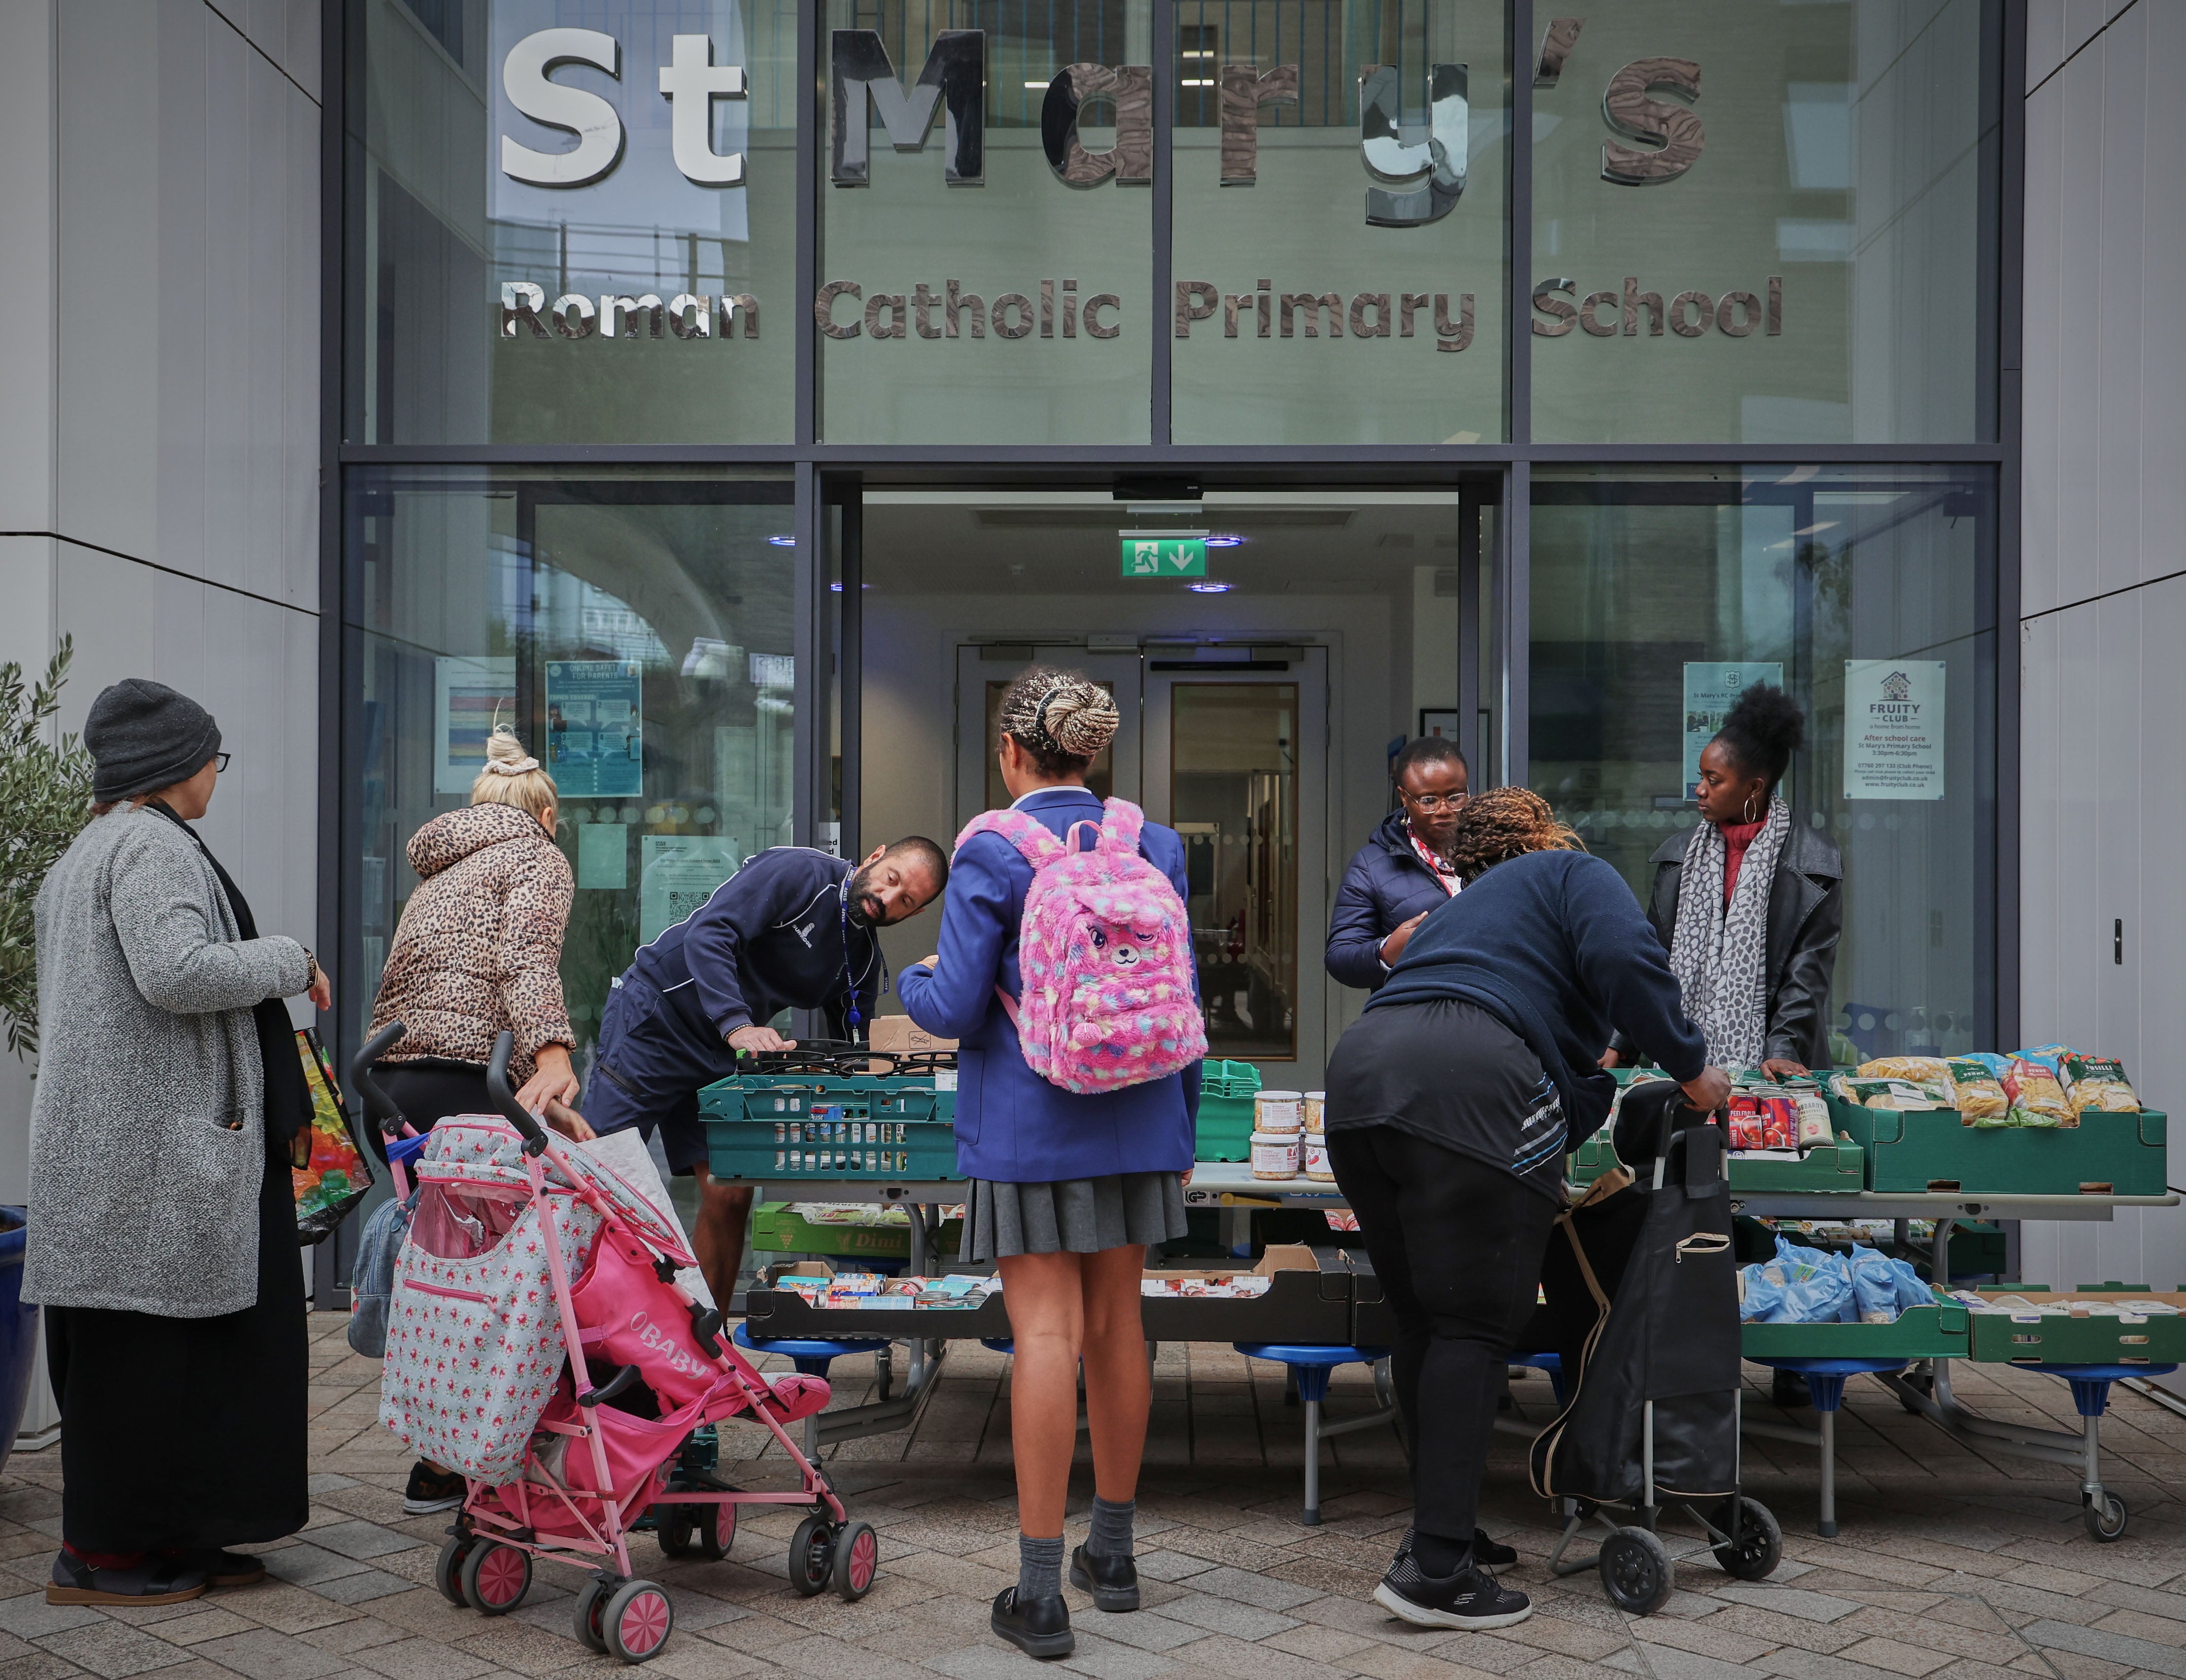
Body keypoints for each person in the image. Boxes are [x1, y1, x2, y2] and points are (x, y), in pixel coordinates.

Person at [1323, 786, 1728, 1633]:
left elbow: (1543, 1024)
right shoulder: (1574, 873)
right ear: (1548, 833)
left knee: (1426, 1325)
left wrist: (1597, 1063)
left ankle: (1448, 1529)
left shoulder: (1462, 913)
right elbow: (1629, 962)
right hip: (1473, 1084)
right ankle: (1434, 1571)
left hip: (1360, 1079)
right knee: (1474, 1324)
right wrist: (1692, 1070)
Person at [898, 668, 1199, 1663]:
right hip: (1144, 1111)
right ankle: (1111, 1557)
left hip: (1031, 1122)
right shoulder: (1151, 843)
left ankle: (1037, 1592)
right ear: (1094, 751)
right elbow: (1183, 993)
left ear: (1008, 751)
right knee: (1120, 1325)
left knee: (1043, 1334)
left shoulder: (993, 847)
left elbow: (948, 1007)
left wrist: (909, 975)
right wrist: (1180, 1133)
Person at [24, 680, 331, 1606]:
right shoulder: (151, 847)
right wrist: (290, 959)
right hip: (148, 1152)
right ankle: (109, 1558)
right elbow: (176, 973)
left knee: (165, 1361)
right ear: (173, 767)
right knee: (146, 1366)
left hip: (118, 1148)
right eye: (211, 759)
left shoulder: (88, 850)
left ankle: (175, 1536)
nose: (214, 776)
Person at [365, 723, 592, 1516]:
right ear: (547, 814)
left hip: (391, 1088)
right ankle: (495, 1451)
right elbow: (525, 957)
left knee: (444, 1280)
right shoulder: (538, 856)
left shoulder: (441, 870)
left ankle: (439, 1460)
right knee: (511, 1280)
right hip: (467, 1089)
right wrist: (556, 1055)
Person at [586, 835, 948, 1308]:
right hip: (657, 1018)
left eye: (905, 901)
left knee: (729, 1194)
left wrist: (885, 1153)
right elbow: (709, 933)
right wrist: (738, 1025)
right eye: (891, 880)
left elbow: (862, 1058)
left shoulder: (861, 959)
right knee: (598, 1184)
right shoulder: (801, 873)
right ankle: (578, 1344)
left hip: (718, 1054)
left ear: (914, 915)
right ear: (875, 858)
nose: (886, 899)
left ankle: (707, 1348)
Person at [1603, 683, 1843, 1078]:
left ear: (1753, 788)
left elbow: (1807, 970)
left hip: (1772, 1066)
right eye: (1701, 777)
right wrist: (1623, 1041)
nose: (1700, 790)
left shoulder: (1814, 864)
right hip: (1687, 1065)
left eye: (1714, 780)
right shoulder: (1678, 858)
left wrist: (1783, 1048)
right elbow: (1653, 961)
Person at [1326, 736, 1469, 989]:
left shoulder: (1497, 851)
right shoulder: (1371, 865)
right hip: (1414, 1016)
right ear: (1404, 797)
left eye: (1455, 797)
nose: (1444, 809)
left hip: (1492, 1014)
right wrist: (1386, 952)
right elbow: (1340, 957)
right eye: (1429, 801)